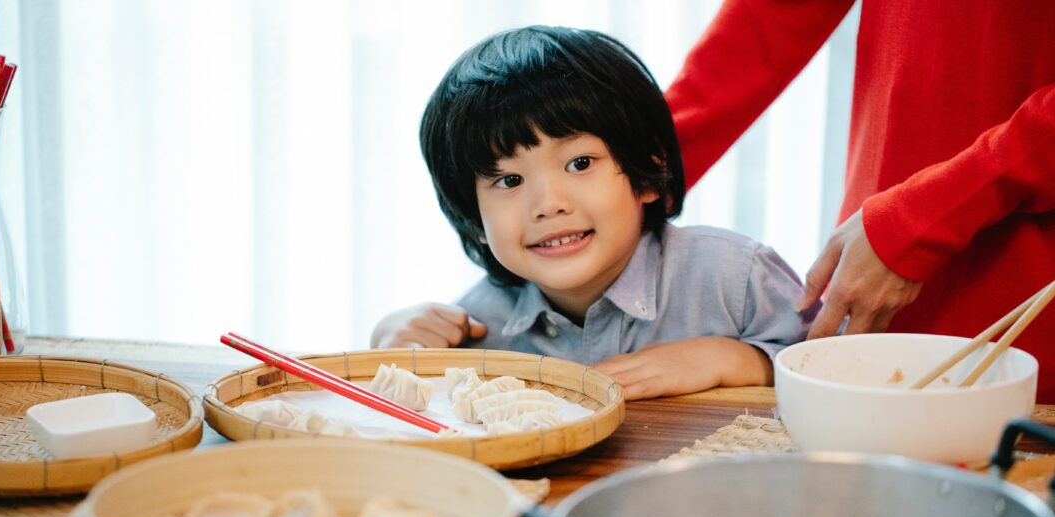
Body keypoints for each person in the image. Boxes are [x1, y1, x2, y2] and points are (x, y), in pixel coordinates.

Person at [371, 25, 812, 400]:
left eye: (580, 163)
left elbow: (839, 367)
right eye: (509, 180)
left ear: (647, 173)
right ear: (473, 219)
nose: (549, 205)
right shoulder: (476, 327)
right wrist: (389, 358)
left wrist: (739, 359)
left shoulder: (735, 279)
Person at [665, 1, 1055, 401]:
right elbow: (774, 16)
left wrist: (921, 220)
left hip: (1020, 312)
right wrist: (646, 162)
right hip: (868, 270)